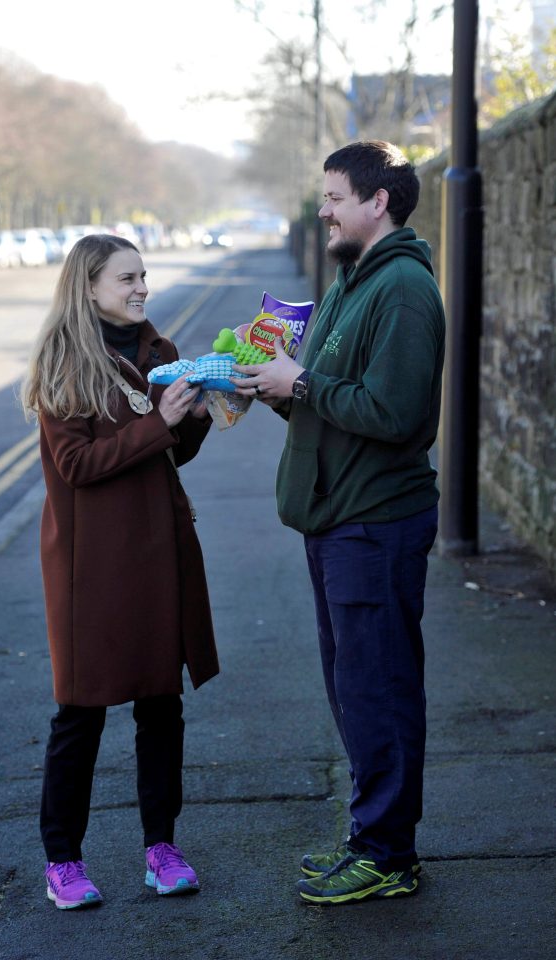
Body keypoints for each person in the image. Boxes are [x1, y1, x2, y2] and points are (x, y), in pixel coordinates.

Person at [233, 140, 445, 905]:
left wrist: (307, 382)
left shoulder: (403, 291)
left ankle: (388, 856)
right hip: (339, 519)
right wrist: (276, 387)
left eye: (332, 197)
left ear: (376, 201)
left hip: (375, 522)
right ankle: (372, 840)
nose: (321, 210)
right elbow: (334, 392)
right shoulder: (356, 281)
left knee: (379, 690)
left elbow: (395, 413)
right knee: (355, 690)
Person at [22, 233, 219, 909]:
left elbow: (171, 454)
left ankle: (161, 848)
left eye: (144, 275)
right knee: (81, 712)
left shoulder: (161, 353)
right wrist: (159, 423)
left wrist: (195, 418)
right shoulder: (63, 363)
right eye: (127, 278)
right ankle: (63, 862)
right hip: (91, 567)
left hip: (159, 552)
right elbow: (74, 467)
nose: (142, 287)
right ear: (90, 288)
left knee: (161, 705)